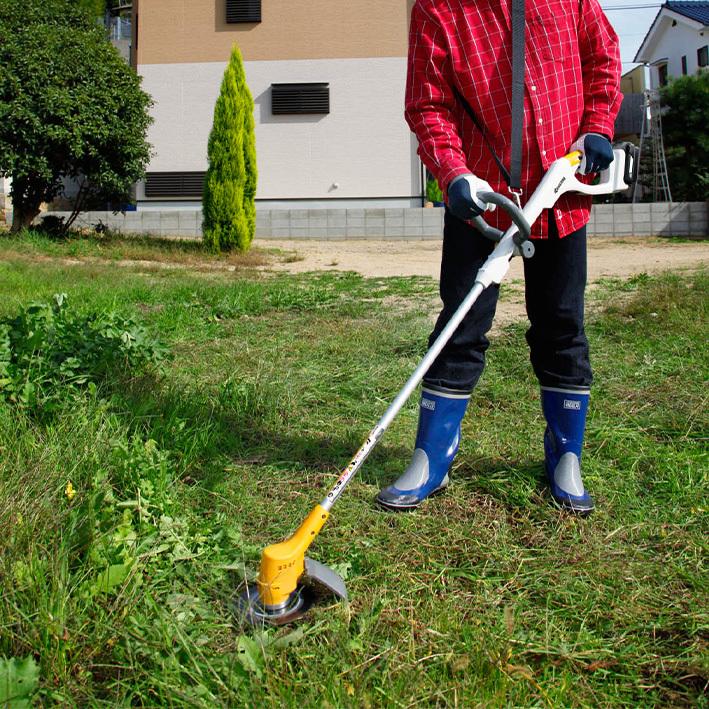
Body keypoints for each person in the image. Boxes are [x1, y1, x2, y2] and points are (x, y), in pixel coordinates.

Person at [376, 0, 622, 515]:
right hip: (481, 200)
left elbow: (602, 58)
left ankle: (565, 458)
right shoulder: (439, 9)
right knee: (461, 325)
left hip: (559, 195)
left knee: (560, 323)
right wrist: (453, 172)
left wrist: (598, 125)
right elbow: (427, 105)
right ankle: (431, 455)